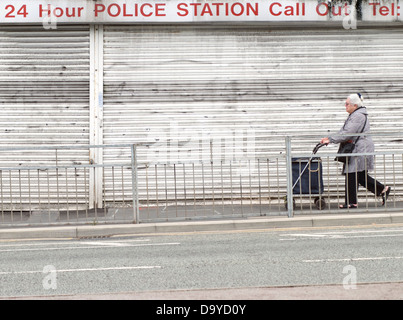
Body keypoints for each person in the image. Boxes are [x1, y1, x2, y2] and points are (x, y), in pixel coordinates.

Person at [320, 93, 391, 209]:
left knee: (352, 174)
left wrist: (331, 139)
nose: (345, 106)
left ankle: (352, 202)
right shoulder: (356, 114)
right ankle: (382, 189)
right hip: (358, 148)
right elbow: (344, 131)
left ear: (355, 105)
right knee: (358, 175)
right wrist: (329, 138)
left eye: (347, 104)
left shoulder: (358, 116)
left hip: (360, 149)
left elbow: (348, 133)